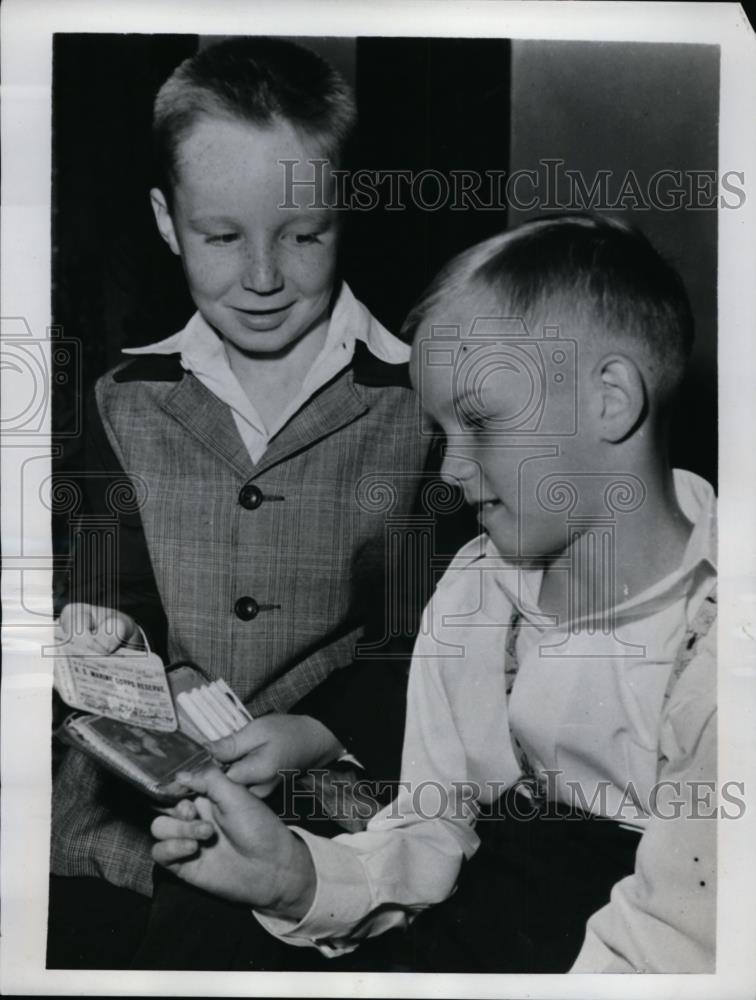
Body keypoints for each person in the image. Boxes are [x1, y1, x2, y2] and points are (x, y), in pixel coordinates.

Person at [150, 213, 718, 973]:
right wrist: (293, 876)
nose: (451, 470)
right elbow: (431, 829)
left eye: (480, 421)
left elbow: (672, 946)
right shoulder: (478, 589)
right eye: (442, 429)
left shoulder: (720, 643)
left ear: (611, 399)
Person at [48, 36, 459, 968]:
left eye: (303, 235)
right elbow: (118, 595)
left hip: (331, 812)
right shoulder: (123, 398)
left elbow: (431, 639)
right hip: (121, 815)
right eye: (222, 236)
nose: (265, 276)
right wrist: (114, 640)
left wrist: (318, 731)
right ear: (166, 220)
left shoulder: (421, 407)